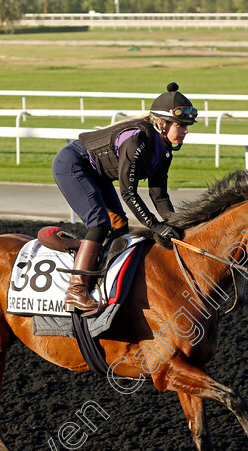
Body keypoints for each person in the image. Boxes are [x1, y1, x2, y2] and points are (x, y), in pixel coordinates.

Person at [52, 82, 198, 316]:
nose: (186, 131)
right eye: (181, 125)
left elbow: (158, 194)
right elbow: (128, 192)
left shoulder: (165, 150)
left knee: (119, 227)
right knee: (99, 225)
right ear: (161, 123)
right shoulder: (137, 140)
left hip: (97, 173)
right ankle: (76, 291)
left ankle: (106, 282)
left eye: (187, 126)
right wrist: (154, 225)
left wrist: (176, 225)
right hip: (72, 165)